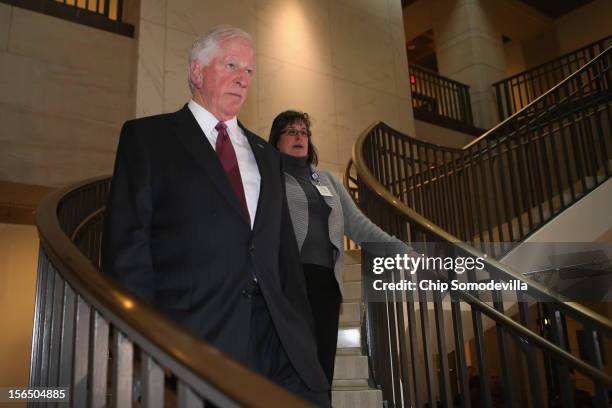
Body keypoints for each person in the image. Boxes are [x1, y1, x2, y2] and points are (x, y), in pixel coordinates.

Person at [102, 27, 329, 406]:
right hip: (194, 337)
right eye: (231, 64)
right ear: (196, 72)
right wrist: (147, 338)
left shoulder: (267, 156)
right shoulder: (148, 138)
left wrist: (302, 333)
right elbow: (127, 247)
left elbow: (285, 256)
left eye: (250, 71)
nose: (243, 77)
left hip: (279, 342)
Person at [268, 110, 411, 385]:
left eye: (304, 132)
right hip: (288, 282)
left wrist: (398, 249)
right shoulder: (268, 179)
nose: (299, 137)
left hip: (326, 283)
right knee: (292, 364)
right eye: (291, 132)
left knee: (322, 365)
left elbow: (357, 224)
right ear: (277, 140)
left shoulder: (328, 180)